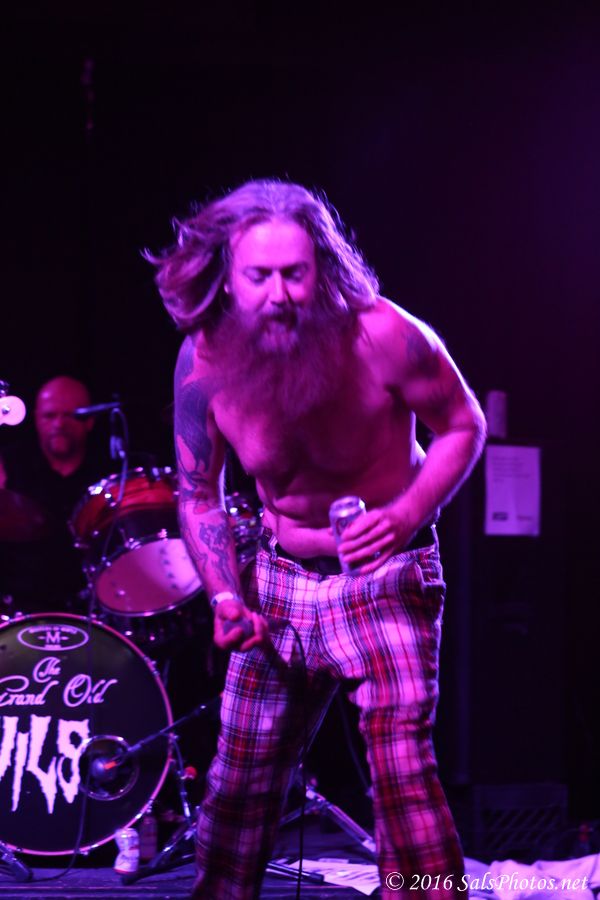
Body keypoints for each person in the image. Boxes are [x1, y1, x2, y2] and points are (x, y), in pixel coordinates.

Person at [149, 180, 487, 898]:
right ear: (227, 278)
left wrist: (407, 512)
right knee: (235, 796)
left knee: (404, 781)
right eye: (259, 276)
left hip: (384, 573)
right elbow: (199, 492)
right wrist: (224, 596)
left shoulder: (384, 335)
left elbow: (464, 425)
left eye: (294, 274)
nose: (279, 295)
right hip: (276, 582)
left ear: (321, 269)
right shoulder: (203, 363)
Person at [0, 375, 106, 614]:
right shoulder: (8, 464)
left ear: (89, 421)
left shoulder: (110, 468)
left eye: (70, 415)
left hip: (94, 607)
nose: (59, 424)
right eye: (50, 416)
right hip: (20, 606)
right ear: (36, 418)